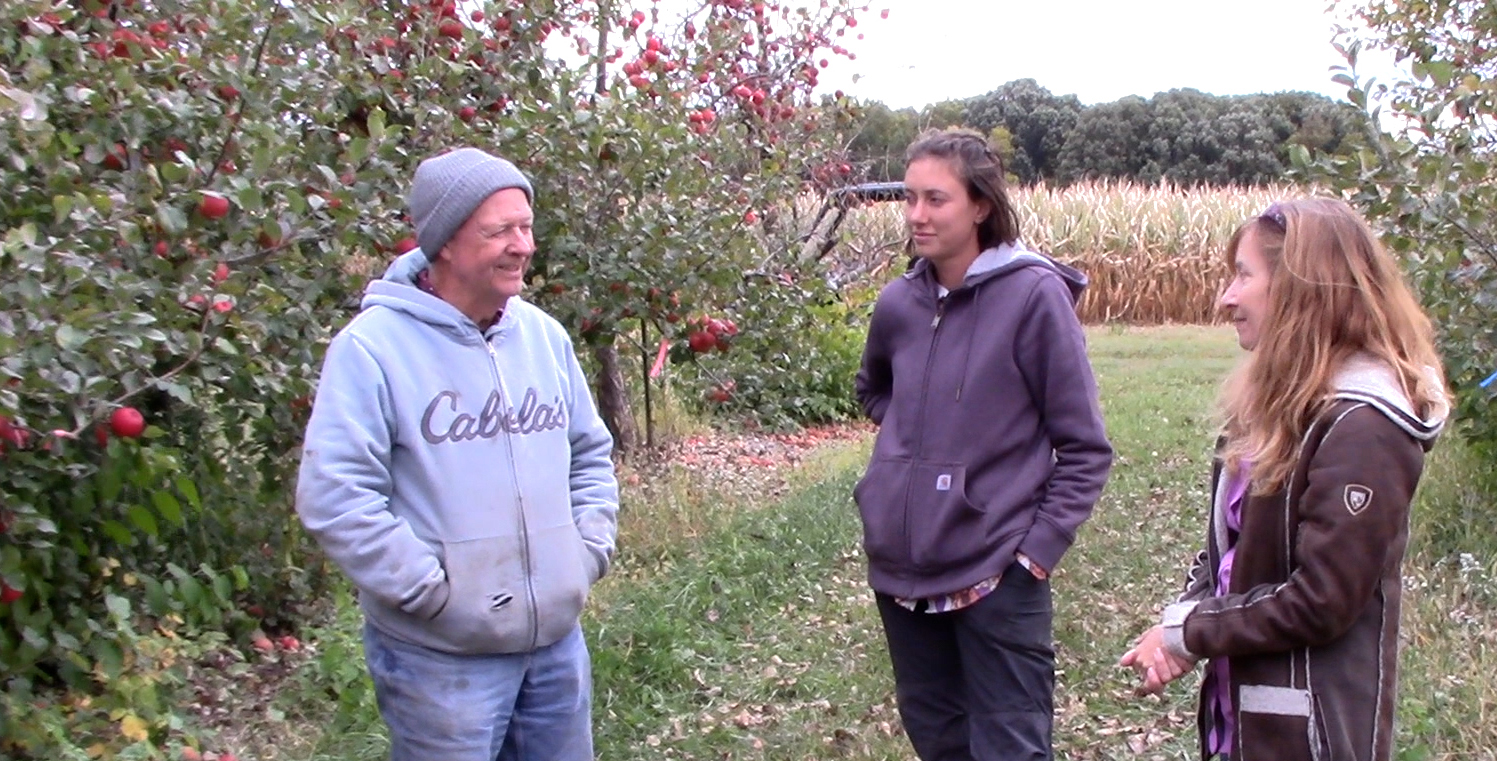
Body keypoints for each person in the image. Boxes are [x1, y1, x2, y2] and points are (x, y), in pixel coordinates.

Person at [296, 147, 619, 761]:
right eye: (500, 230)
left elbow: (589, 453)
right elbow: (334, 495)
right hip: (441, 661)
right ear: (444, 241)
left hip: (554, 644)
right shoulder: (372, 349)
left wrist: (585, 552)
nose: (522, 245)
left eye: (525, 226)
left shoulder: (543, 338)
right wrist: (429, 593)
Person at [1120, 198, 1451, 761]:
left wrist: (1192, 630)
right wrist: (1186, 619)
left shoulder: (1363, 427)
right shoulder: (1278, 407)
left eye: (1244, 275)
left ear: (1304, 290)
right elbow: (1232, 548)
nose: (1227, 296)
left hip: (1310, 733)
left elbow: (1322, 599)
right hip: (1246, 715)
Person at [853, 127, 1114, 761]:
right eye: (909, 197)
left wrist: (1034, 556)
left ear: (980, 206)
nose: (917, 215)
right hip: (902, 572)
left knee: (1010, 749)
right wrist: (913, 456)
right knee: (940, 743)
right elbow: (873, 390)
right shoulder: (898, 302)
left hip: (997, 574)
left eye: (936, 199)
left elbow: (1084, 447)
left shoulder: (1033, 297)